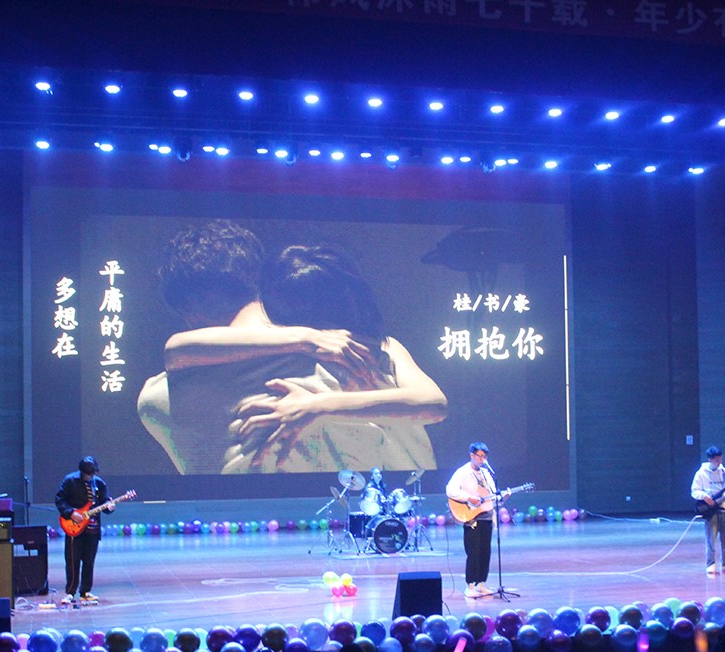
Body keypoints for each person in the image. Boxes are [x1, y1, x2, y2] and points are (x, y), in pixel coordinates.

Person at [138, 225, 447, 474]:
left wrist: (319, 403)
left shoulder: (158, 399)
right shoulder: (367, 353)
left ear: (188, 312)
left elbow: (175, 351)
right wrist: (305, 340)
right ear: (261, 281)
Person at [55, 456, 114, 605]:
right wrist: (71, 513)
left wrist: (109, 507)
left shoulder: (99, 483)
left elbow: (105, 502)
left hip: (92, 529)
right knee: (72, 561)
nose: (90, 476)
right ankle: (70, 592)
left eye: (92, 473)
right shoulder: (70, 481)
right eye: (88, 474)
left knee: (89, 561)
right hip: (74, 527)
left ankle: (85, 591)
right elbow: (60, 500)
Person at [446, 442, 497, 598]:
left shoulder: (486, 474)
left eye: (484, 456)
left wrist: (500, 497)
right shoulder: (462, 472)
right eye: (480, 456)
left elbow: (492, 493)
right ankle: (470, 585)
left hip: (486, 516)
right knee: (473, 552)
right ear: (472, 455)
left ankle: (481, 583)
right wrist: (469, 497)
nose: (482, 459)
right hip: (471, 517)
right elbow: (450, 490)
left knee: (485, 551)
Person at [690, 445, 725, 574]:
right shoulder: (701, 474)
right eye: (716, 460)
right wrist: (704, 496)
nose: (719, 462)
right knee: (711, 539)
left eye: (720, 459)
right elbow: (695, 491)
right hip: (711, 511)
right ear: (710, 459)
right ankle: (711, 564)